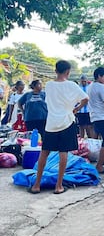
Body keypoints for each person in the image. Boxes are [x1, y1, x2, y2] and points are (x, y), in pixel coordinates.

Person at [29, 60, 89, 195]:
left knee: (44, 153)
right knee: (63, 153)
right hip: (67, 122)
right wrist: (76, 109)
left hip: (51, 124)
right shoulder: (72, 86)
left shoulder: (49, 85)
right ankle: (59, 186)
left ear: (55, 71)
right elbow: (86, 98)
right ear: (68, 71)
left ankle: (36, 185)